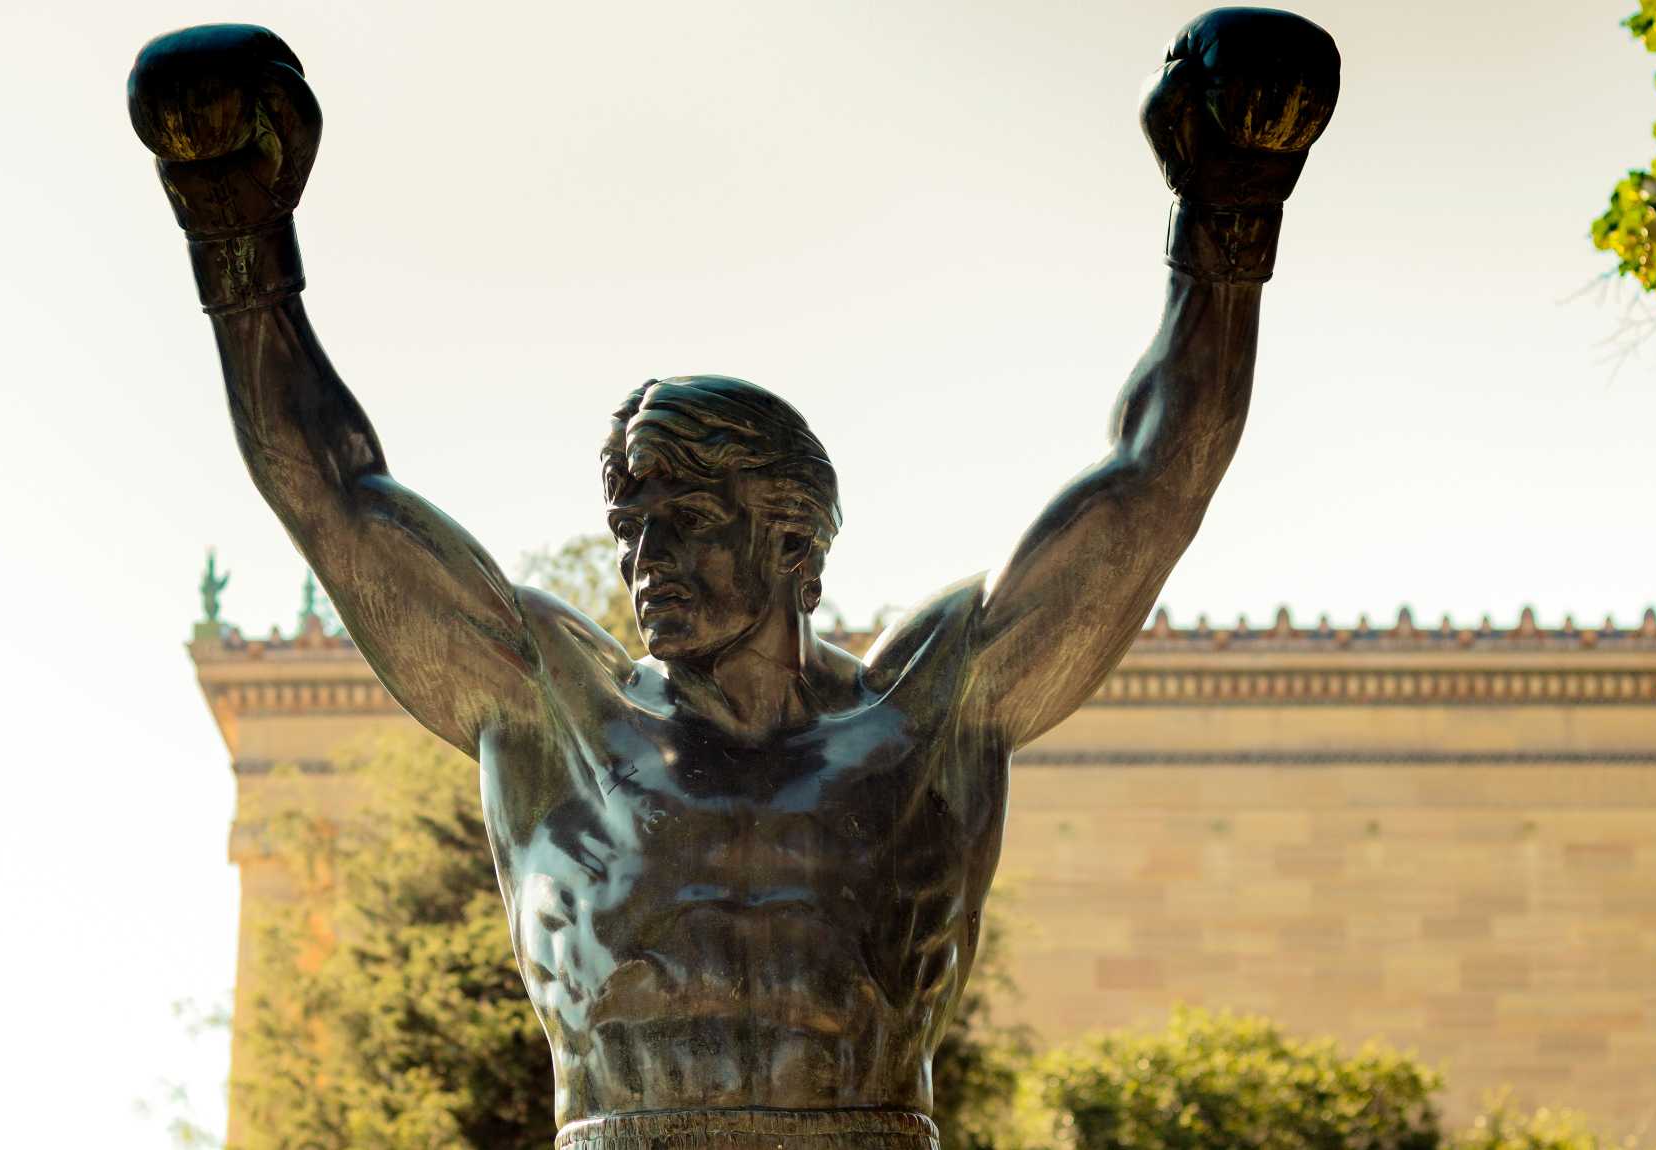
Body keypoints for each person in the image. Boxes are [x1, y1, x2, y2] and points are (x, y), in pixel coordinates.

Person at [129, 12, 1338, 1147]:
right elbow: (332, 494)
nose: (645, 560)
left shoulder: (922, 722)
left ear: (793, 543)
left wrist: (1225, 224)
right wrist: (235, 234)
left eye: (689, 522)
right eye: (632, 524)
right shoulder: (560, 716)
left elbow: (1155, 483)